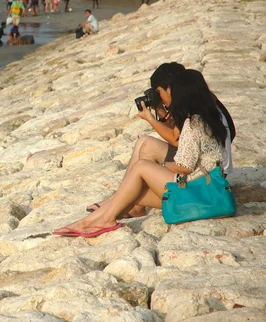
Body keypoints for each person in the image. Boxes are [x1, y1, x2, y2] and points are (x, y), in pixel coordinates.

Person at [53, 69, 229, 238]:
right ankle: (85, 223)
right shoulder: (206, 119)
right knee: (133, 192)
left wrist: (159, 167)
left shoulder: (193, 124)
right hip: (201, 188)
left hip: (196, 188)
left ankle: (104, 220)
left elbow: (184, 167)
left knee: (141, 167)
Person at [82, 62, 235, 219]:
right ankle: (125, 201)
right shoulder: (202, 100)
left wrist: (150, 119)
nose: (158, 96)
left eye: (159, 92)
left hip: (208, 175)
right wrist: (160, 109)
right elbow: (180, 134)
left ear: (169, 88)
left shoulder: (194, 112)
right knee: (143, 142)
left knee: (147, 150)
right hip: (209, 166)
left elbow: (176, 139)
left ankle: (124, 202)